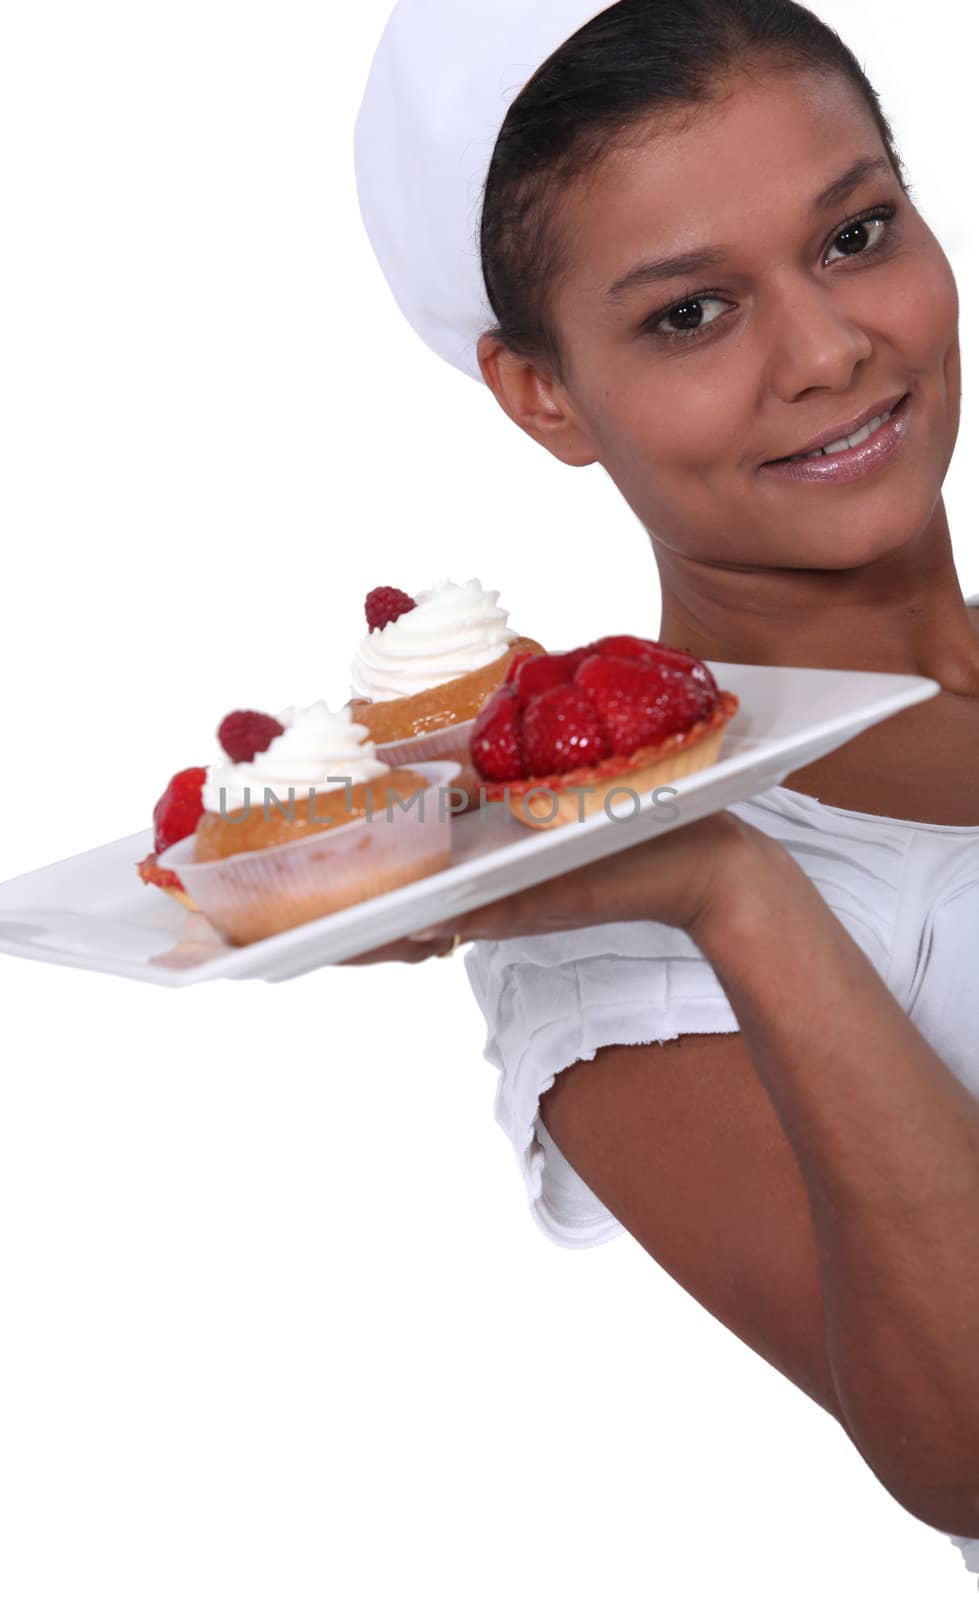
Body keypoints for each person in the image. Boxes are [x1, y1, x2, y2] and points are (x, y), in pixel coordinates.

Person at [350, 0, 979, 1575]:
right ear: (541, 392)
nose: (832, 349)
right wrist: (729, 886)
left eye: (855, 232)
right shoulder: (614, 937)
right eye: (690, 314)